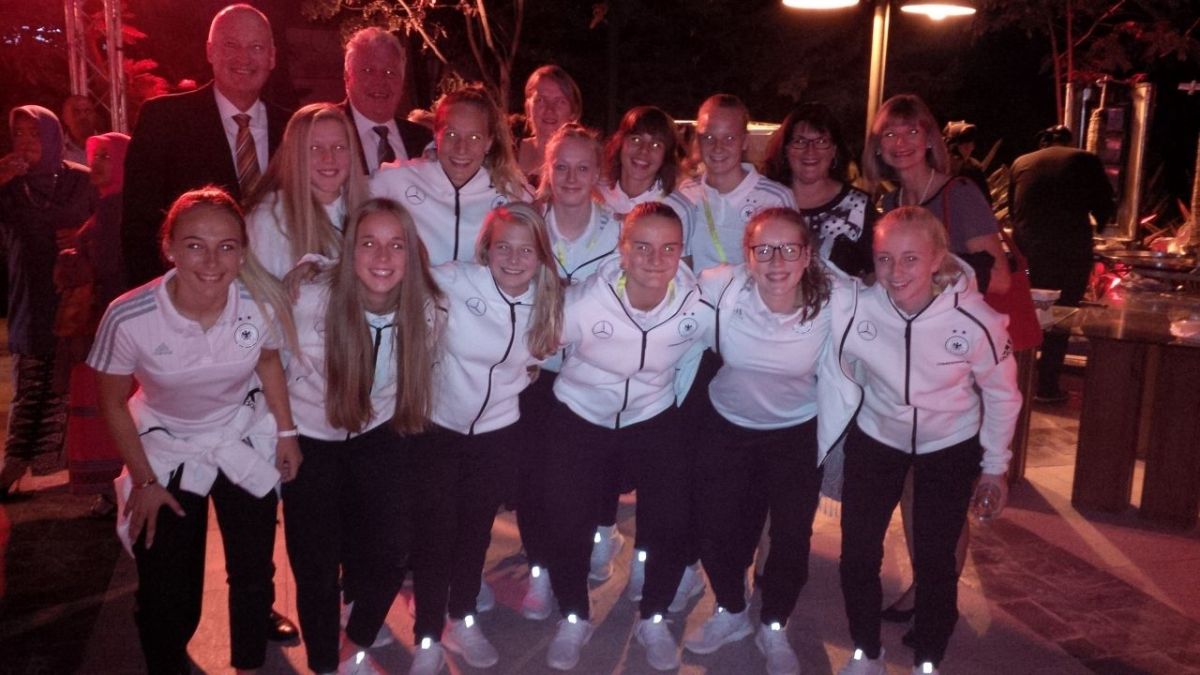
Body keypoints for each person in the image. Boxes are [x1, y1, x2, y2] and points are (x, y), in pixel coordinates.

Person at [89, 187, 300, 675]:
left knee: (253, 567)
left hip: (238, 431)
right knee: (167, 590)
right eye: (194, 245)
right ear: (169, 247)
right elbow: (111, 401)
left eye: (226, 246)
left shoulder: (257, 305)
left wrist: (286, 433)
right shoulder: (129, 316)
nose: (211, 261)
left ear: (242, 253)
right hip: (166, 445)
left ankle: (251, 661)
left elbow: (268, 362)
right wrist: (144, 481)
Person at [827, 206, 1020, 675]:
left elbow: (1002, 394)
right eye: (885, 259)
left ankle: (928, 658)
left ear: (938, 259)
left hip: (948, 443)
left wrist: (995, 467)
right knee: (857, 553)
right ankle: (866, 650)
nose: (896, 272)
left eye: (911, 259)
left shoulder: (977, 320)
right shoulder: (857, 307)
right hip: (876, 436)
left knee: (936, 559)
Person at [539, 202, 708, 672]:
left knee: (671, 520)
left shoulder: (697, 305)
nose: (655, 259)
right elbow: (533, 343)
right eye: (643, 247)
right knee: (568, 521)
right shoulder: (584, 302)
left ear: (681, 252)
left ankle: (654, 616)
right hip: (580, 414)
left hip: (652, 414)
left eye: (668, 248)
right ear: (623, 249)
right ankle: (573, 615)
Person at [282, 198, 440, 674]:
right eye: (368, 243)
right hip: (311, 440)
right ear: (349, 251)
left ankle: (355, 642)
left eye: (396, 245)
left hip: (378, 435)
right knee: (316, 567)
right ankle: (325, 665)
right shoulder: (309, 300)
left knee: (392, 550)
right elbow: (268, 361)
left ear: (412, 253)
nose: (383, 256)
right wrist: (281, 433)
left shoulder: (426, 308)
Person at [407, 202, 563, 675]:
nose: (514, 259)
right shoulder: (455, 281)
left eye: (526, 250)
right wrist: (315, 265)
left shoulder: (549, 300)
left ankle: (462, 615)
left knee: (475, 532)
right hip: (438, 428)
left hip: (498, 434)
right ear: (485, 250)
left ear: (541, 255)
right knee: (435, 535)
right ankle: (427, 635)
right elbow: (386, 274)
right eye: (503, 247)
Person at [682, 208, 833, 675]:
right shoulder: (720, 286)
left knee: (790, 535)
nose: (776, 261)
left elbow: (895, 290)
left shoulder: (835, 298)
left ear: (807, 255)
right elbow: (661, 286)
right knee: (715, 528)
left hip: (797, 432)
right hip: (727, 425)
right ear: (746, 256)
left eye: (789, 249)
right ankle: (731, 608)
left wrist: (956, 276)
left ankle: (774, 624)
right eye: (763, 249)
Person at [516, 124, 620, 621]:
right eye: (561, 167)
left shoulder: (619, 231)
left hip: (593, 373)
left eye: (583, 168)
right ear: (547, 170)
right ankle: (539, 568)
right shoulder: (526, 224)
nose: (572, 178)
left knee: (581, 483)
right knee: (533, 479)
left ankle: (582, 561)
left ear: (598, 173)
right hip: (535, 373)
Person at [122, 3, 292, 288]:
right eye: (231, 45)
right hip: (192, 293)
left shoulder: (292, 128)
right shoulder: (164, 120)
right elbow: (139, 225)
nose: (244, 57)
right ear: (210, 51)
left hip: (277, 293)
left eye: (256, 47)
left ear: (272, 57)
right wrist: (160, 298)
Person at [0, 105, 96, 499]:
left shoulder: (81, 181)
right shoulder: (10, 186)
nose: (25, 142)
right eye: (18, 134)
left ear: (53, 137)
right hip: (30, 295)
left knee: (71, 381)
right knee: (31, 379)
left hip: (75, 297)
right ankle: (13, 465)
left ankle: (76, 466)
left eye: (35, 134)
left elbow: (108, 223)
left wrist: (82, 236)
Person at [865, 94, 1009, 296]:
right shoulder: (891, 204)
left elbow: (1000, 280)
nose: (900, 142)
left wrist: (931, 271)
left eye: (912, 132)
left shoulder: (960, 194)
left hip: (960, 314)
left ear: (930, 140)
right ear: (878, 146)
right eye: (889, 134)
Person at [1010, 124, 1114, 403]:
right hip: (1069, 256)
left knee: (1027, 314)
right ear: (1069, 141)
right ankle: (1046, 387)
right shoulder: (1085, 159)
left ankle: (1017, 383)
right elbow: (1105, 205)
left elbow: (1013, 210)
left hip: (1028, 257)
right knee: (1062, 316)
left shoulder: (1021, 162)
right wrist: (1100, 224)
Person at [372, 83, 529, 265]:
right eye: (451, 135)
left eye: (474, 138)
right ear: (436, 135)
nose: (461, 148)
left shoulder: (512, 193)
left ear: (488, 143)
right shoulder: (396, 180)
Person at [62, 132, 131, 507]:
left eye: (106, 156)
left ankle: (115, 486)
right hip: (100, 324)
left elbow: (109, 269)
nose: (96, 163)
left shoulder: (118, 209)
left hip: (108, 326)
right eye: (95, 156)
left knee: (107, 403)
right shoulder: (107, 206)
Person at [666, 94, 794, 273]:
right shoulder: (685, 194)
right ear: (698, 140)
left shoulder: (776, 199)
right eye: (708, 137)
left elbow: (792, 266)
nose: (718, 147)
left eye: (729, 138)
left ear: (745, 141)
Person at [245, 102, 369, 279]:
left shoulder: (369, 211)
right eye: (315, 148)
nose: (329, 158)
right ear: (295, 154)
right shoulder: (269, 220)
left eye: (339, 147)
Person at [763, 102, 875, 278]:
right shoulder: (765, 201)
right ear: (786, 149)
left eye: (821, 141)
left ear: (834, 151)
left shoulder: (859, 207)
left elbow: (874, 273)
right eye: (800, 141)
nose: (810, 151)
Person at [340, 27, 434, 177]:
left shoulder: (424, 140)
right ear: (347, 77)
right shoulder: (323, 133)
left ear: (402, 81)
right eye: (368, 71)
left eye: (390, 73)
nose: (380, 81)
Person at [597, 106, 683, 217]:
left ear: (666, 156)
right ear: (620, 142)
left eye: (655, 145)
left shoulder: (678, 210)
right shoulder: (594, 194)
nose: (644, 150)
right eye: (636, 139)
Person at [516, 65, 583, 183]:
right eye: (540, 100)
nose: (550, 109)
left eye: (560, 102)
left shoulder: (586, 160)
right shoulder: (506, 154)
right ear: (528, 108)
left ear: (573, 112)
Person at [942, 120, 991, 204]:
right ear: (950, 146)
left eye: (970, 143)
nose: (971, 147)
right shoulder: (935, 172)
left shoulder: (973, 169)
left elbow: (986, 203)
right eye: (964, 143)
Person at [61, 94, 99, 166]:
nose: (83, 116)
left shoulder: (107, 148)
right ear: (65, 118)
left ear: (94, 116)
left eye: (87, 111)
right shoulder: (56, 151)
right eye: (76, 112)